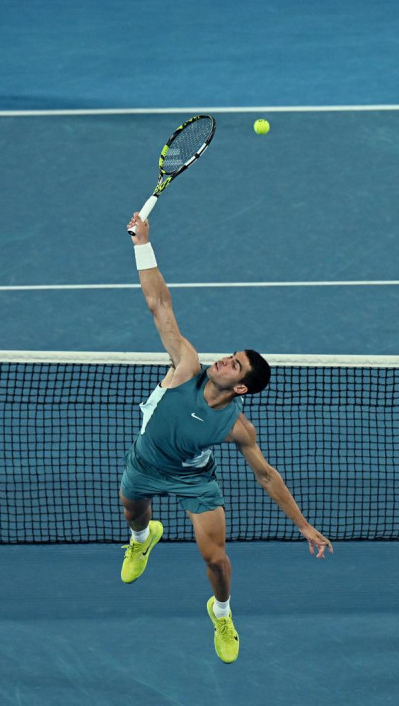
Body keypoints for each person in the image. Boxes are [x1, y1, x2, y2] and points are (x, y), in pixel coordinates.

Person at [119, 211, 333, 664]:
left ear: (240, 389)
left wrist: (303, 525)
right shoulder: (186, 367)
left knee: (214, 558)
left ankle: (221, 612)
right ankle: (143, 539)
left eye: (233, 365)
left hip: (194, 480)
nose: (222, 360)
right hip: (144, 462)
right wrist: (143, 243)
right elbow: (160, 305)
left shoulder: (237, 427)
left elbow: (267, 477)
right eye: (229, 356)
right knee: (133, 511)